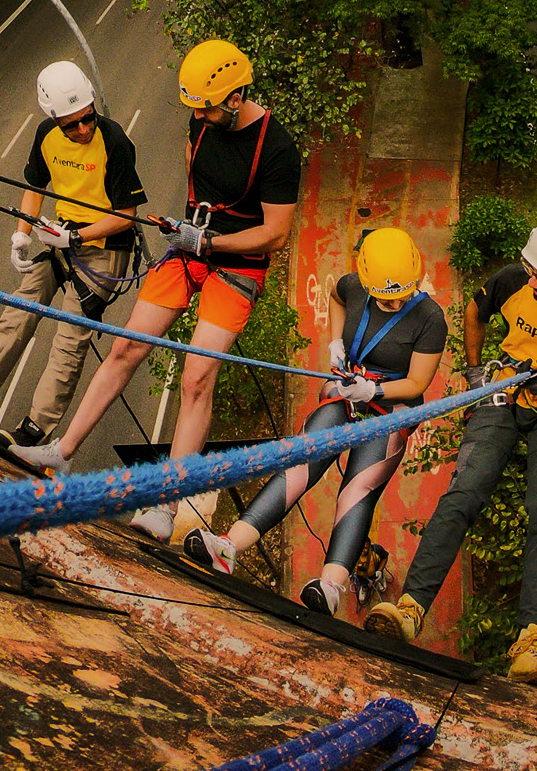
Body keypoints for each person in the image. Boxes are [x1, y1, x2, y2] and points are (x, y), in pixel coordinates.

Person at [12, 40, 302, 544]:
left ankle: (166, 505)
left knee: (195, 378)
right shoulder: (202, 122)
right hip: (188, 250)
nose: (199, 117)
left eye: (207, 107)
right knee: (126, 347)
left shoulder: (276, 149)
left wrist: (211, 240)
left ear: (236, 97)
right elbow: (198, 180)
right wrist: (185, 230)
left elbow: (276, 234)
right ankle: (61, 453)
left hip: (238, 268)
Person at [362, 208, 537, 689]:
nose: (533, 281)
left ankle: (530, 644)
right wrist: (474, 370)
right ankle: (410, 609)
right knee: (465, 491)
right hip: (504, 391)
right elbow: (474, 312)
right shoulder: (514, 280)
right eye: (531, 270)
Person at [182, 228, 447, 616]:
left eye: (403, 295)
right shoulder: (354, 285)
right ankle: (229, 545)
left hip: (391, 409)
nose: (397, 302)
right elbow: (338, 298)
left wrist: (373, 392)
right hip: (346, 391)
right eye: (388, 297)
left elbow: (418, 382)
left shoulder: (429, 317)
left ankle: (331, 585)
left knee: (357, 488)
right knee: (299, 461)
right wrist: (336, 342)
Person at [0, 61, 146, 447]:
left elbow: (126, 216)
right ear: (53, 118)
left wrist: (77, 239)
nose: (83, 129)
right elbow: (35, 184)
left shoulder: (114, 141)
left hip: (102, 250)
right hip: (61, 237)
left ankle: (35, 428)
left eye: (88, 118)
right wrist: (21, 234)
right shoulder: (47, 134)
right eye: (72, 124)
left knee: (69, 339)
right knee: (19, 309)